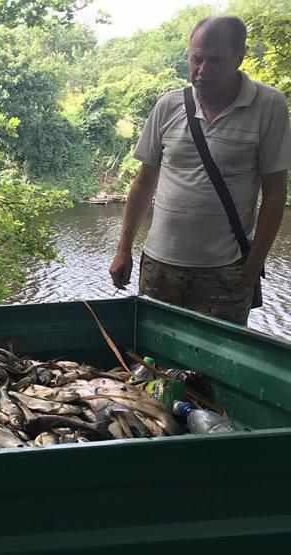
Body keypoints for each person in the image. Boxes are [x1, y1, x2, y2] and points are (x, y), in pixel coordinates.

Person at [109, 16, 290, 326]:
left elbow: (275, 194)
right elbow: (143, 183)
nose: (201, 70)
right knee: (152, 359)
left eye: (215, 61)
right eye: (196, 59)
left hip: (225, 269)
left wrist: (253, 265)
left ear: (240, 57)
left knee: (217, 364)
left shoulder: (268, 106)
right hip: (158, 265)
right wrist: (123, 249)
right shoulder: (168, 106)